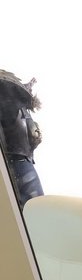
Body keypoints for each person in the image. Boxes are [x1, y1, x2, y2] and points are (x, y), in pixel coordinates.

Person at [0, 70, 44, 209]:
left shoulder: (21, 108)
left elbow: (31, 136)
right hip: (13, 165)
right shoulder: (7, 97)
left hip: (24, 164)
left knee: (37, 212)